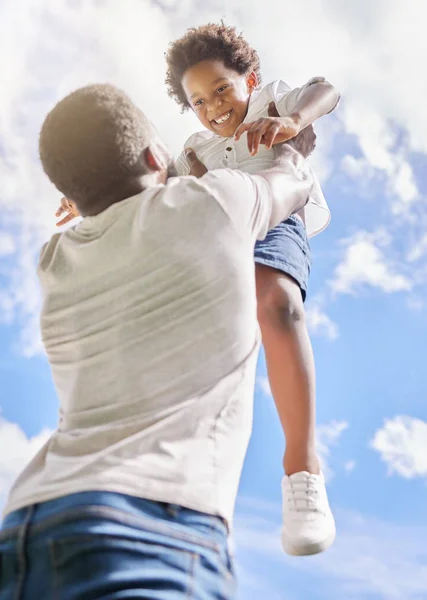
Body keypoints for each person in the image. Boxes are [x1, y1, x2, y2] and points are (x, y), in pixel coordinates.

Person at [0, 83, 313, 599]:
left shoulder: (55, 261)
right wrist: (293, 140)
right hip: (151, 527)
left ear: (71, 194)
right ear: (156, 155)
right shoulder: (215, 203)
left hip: (25, 530)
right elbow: (291, 179)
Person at [163, 22, 340, 556]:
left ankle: (303, 470)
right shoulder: (195, 148)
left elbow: (324, 90)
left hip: (276, 218)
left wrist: (292, 119)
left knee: (276, 306)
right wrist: (90, 196)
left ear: (250, 80)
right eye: (199, 101)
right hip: (218, 235)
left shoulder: (268, 103)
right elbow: (148, 187)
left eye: (222, 89)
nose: (214, 107)